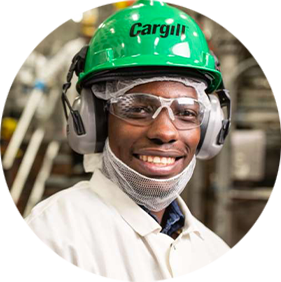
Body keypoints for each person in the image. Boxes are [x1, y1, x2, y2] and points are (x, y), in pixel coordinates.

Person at [0, 0, 243, 281]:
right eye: (138, 108)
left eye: (186, 112)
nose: (165, 132)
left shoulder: (219, 258)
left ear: (209, 128)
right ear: (96, 122)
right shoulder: (43, 247)